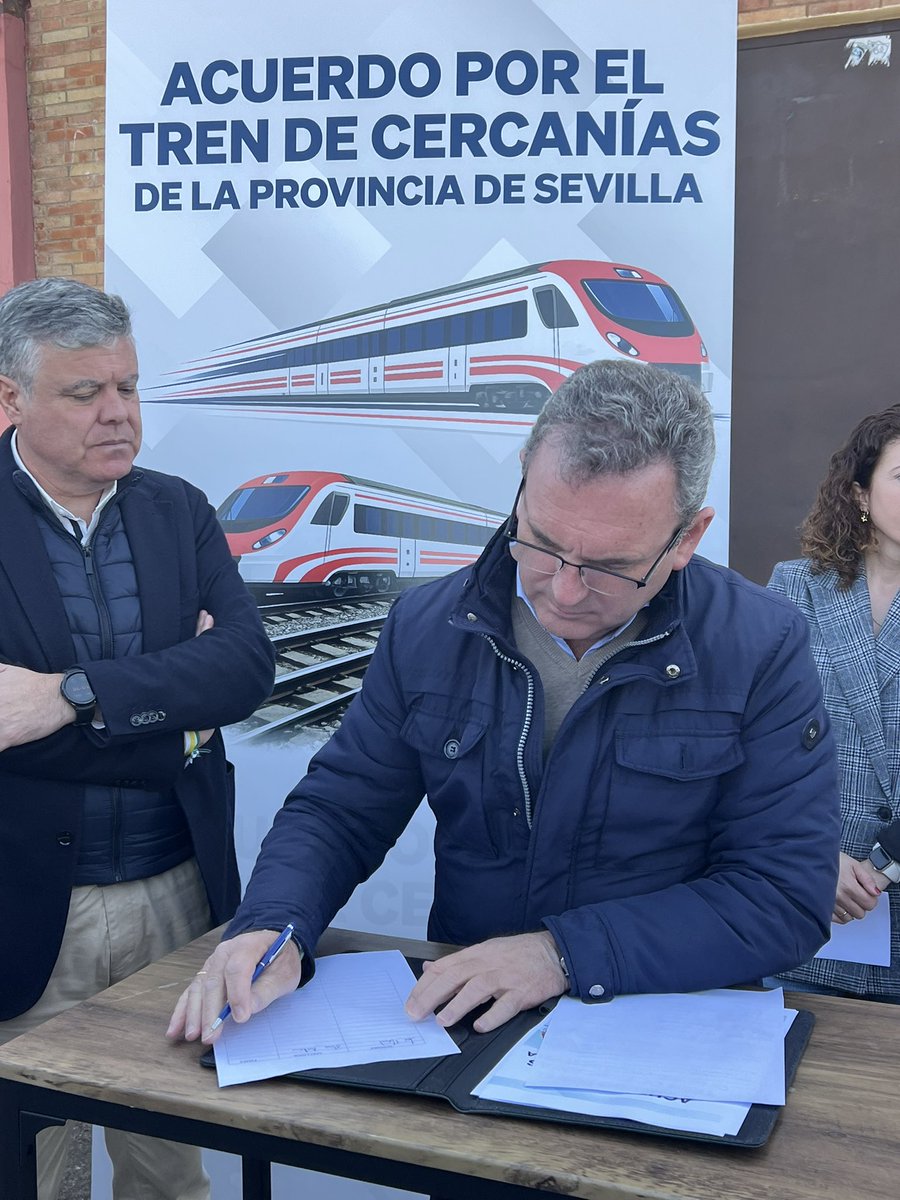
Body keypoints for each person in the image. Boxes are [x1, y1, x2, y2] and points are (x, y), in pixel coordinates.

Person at [169, 359, 840, 1047]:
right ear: (523, 478)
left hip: (663, 1025)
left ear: (687, 538)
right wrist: (275, 924)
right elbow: (343, 809)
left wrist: (562, 954)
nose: (565, 592)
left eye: (611, 567)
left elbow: (783, 896)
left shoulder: (759, 646)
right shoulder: (429, 626)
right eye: (542, 544)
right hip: (468, 1022)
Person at [0, 277, 276, 1199]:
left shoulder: (178, 510)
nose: (117, 412)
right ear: (12, 398)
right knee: (41, 1177)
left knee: (169, 1176)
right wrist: (175, 724)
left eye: (127, 385)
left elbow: (244, 668)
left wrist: (67, 695)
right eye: (85, 392)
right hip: (31, 913)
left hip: (177, 899)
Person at [767, 406, 900, 1001]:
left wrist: (883, 865)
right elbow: (757, 745)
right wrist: (817, 857)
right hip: (808, 893)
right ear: (861, 493)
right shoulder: (795, 587)